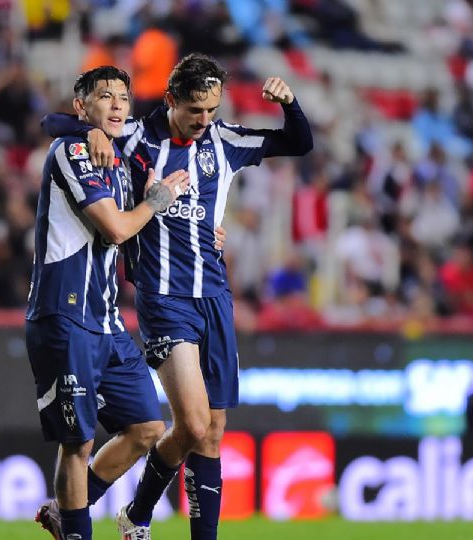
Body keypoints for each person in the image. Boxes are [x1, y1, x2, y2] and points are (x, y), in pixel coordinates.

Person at [42, 53, 313, 540]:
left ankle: (137, 517)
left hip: (214, 295)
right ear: (171, 100)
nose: (204, 120)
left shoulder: (225, 141)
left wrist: (289, 102)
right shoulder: (137, 137)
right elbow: (56, 122)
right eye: (195, 110)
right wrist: (94, 133)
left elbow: (299, 142)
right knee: (188, 421)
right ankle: (119, 512)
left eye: (212, 109)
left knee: (210, 429)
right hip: (162, 298)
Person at [26, 65, 191, 540]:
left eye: (124, 96)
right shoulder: (75, 148)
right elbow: (118, 227)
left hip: (106, 320)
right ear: (83, 106)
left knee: (146, 427)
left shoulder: (115, 155)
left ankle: (66, 513)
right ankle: (77, 532)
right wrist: (157, 198)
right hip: (65, 314)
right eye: (105, 97)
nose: (118, 105)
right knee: (77, 442)